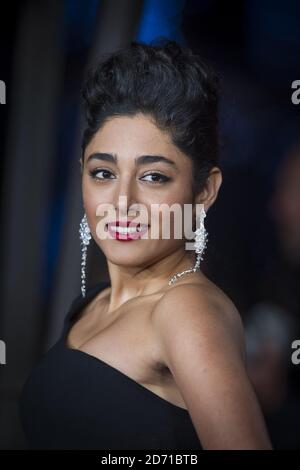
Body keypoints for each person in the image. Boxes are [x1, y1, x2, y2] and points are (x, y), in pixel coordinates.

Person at [19, 39, 272, 450]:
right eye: (103, 173)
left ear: (204, 190)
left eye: (153, 177)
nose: (123, 203)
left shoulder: (186, 311)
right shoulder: (95, 303)